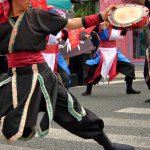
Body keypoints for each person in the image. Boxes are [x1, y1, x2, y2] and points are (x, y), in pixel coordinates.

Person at [0, 0, 135, 150]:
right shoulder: (2, 18)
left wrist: (101, 16)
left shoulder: (38, 15)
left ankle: (109, 146)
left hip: (43, 78)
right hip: (15, 78)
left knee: (74, 111)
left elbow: (70, 24)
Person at [82, 21, 141, 96]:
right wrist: (87, 35)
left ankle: (129, 88)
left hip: (114, 52)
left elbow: (123, 32)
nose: (106, 22)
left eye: (108, 21)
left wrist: (128, 25)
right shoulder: (99, 27)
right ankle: (88, 90)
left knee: (130, 66)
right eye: (105, 20)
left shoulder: (117, 27)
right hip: (103, 52)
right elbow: (90, 29)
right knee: (93, 70)